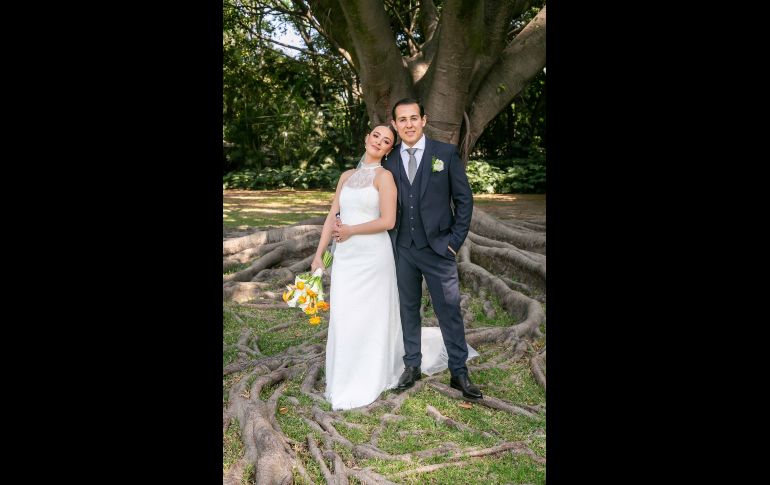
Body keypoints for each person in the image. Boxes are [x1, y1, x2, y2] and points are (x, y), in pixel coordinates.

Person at [312, 125, 478, 410]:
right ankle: (346, 371)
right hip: (346, 257)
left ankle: (449, 370)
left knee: (375, 314)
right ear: (366, 137)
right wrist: (319, 255)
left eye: (386, 140)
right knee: (345, 313)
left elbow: (388, 221)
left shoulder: (385, 176)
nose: (379, 142)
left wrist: (351, 230)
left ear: (390, 149)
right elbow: (332, 216)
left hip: (374, 256)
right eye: (375, 136)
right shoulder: (346, 176)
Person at [382, 97, 482, 400]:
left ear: (424, 120)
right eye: (402, 120)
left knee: (449, 310)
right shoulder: (389, 160)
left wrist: (454, 243)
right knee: (407, 309)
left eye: (414, 118)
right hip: (403, 249)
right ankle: (411, 365)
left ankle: (459, 371)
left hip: (439, 249)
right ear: (395, 125)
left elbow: (464, 201)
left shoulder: (445, 154)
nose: (409, 124)